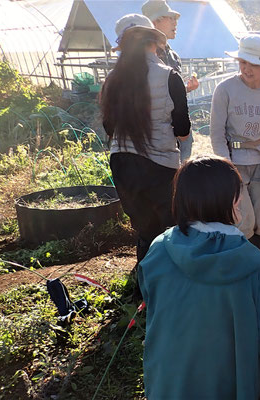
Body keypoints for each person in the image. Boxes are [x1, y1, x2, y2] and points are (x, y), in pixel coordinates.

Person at [138, 156, 260, 399]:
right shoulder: (249, 265)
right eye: (238, 191)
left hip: (167, 386)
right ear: (231, 198)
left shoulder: (158, 250)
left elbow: (152, 303)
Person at [101, 14, 190, 264]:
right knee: (170, 231)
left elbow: (109, 127)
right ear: (154, 41)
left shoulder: (111, 80)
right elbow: (182, 130)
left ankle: (144, 291)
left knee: (145, 232)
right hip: (160, 165)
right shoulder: (169, 76)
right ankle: (172, 288)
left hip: (122, 164)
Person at [210, 34, 260, 245]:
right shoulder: (224, 89)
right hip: (235, 161)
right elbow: (216, 133)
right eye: (243, 62)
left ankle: (259, 267)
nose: (247, 69)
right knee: (243, 222)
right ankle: (241, 269)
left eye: (253, 64)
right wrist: (227, 168)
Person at [142, 0, 199, 163]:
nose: (175, 22)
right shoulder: (142, 58)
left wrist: (185, 89)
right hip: (158, 133)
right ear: (154, 22)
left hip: (180, 127)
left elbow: (168, 91)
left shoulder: (173, 56)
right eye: (170, 18)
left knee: (180, 177)